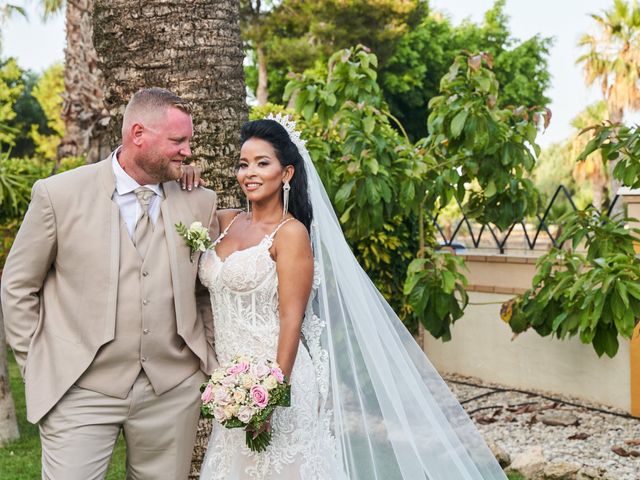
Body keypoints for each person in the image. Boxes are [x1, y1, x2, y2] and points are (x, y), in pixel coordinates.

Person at [197, 116, 507, 479]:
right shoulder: (227, 221)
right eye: (243, 163)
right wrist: (188, 182)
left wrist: (270, 397)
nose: (249, 172)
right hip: (230, 386)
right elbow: (182, 208)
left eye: (262, 163)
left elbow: (291, 320)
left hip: (276, 382)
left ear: (286, 173)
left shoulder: (290, 234)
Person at [1, 87, 218, 479]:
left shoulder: (199, 201)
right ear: (138, 134)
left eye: (188, 140)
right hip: (79, 389)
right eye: (178, 140)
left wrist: (203, 363)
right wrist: (35, 363)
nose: (187, 151)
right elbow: (18, 285)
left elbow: (206, 290)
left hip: (170, 390)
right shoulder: (58, 195)